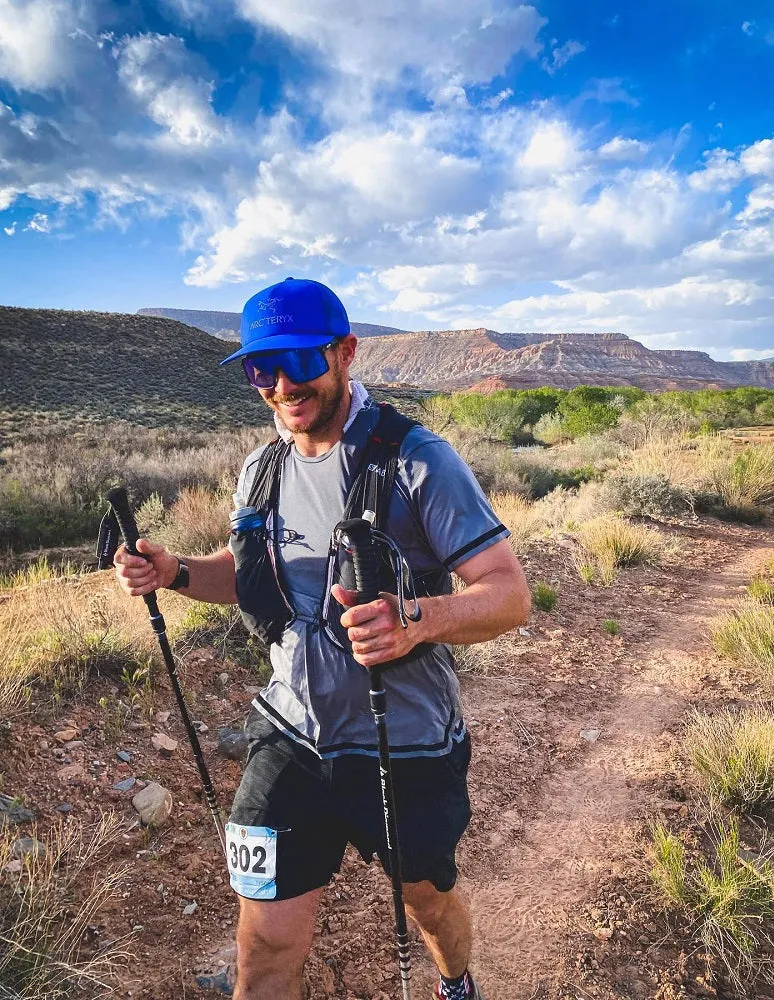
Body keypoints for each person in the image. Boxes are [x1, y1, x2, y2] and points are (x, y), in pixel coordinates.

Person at [114, 277, 530, 1000]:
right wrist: (176, 572)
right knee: (266, 943)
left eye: (299, 362)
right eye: (259, 370)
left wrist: (416, 622)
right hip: (291, 734)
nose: (281, 386)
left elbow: (508, 594)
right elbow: (251, 578)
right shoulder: (260, 468)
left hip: (405, 738)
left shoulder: (419, 460)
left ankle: (457, 984)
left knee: (426, 903)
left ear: (345, 352)